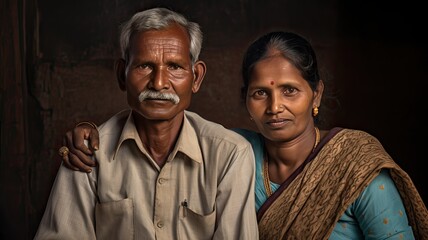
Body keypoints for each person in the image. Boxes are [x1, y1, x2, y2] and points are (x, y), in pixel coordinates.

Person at [61, 31, 428, 239]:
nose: (274, 107)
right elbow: (163, 126)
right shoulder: (233, 153)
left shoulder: (355, 166)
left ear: (315, 94)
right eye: (260, 93)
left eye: (290, 91)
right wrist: (91, 133)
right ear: (245, 100)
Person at [34, 7, 259, 240]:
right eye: (145, 66)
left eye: (174, 66)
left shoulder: (229, 154)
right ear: (122, 75)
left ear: (196, 77)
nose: (159, 83)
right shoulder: (87, 152)